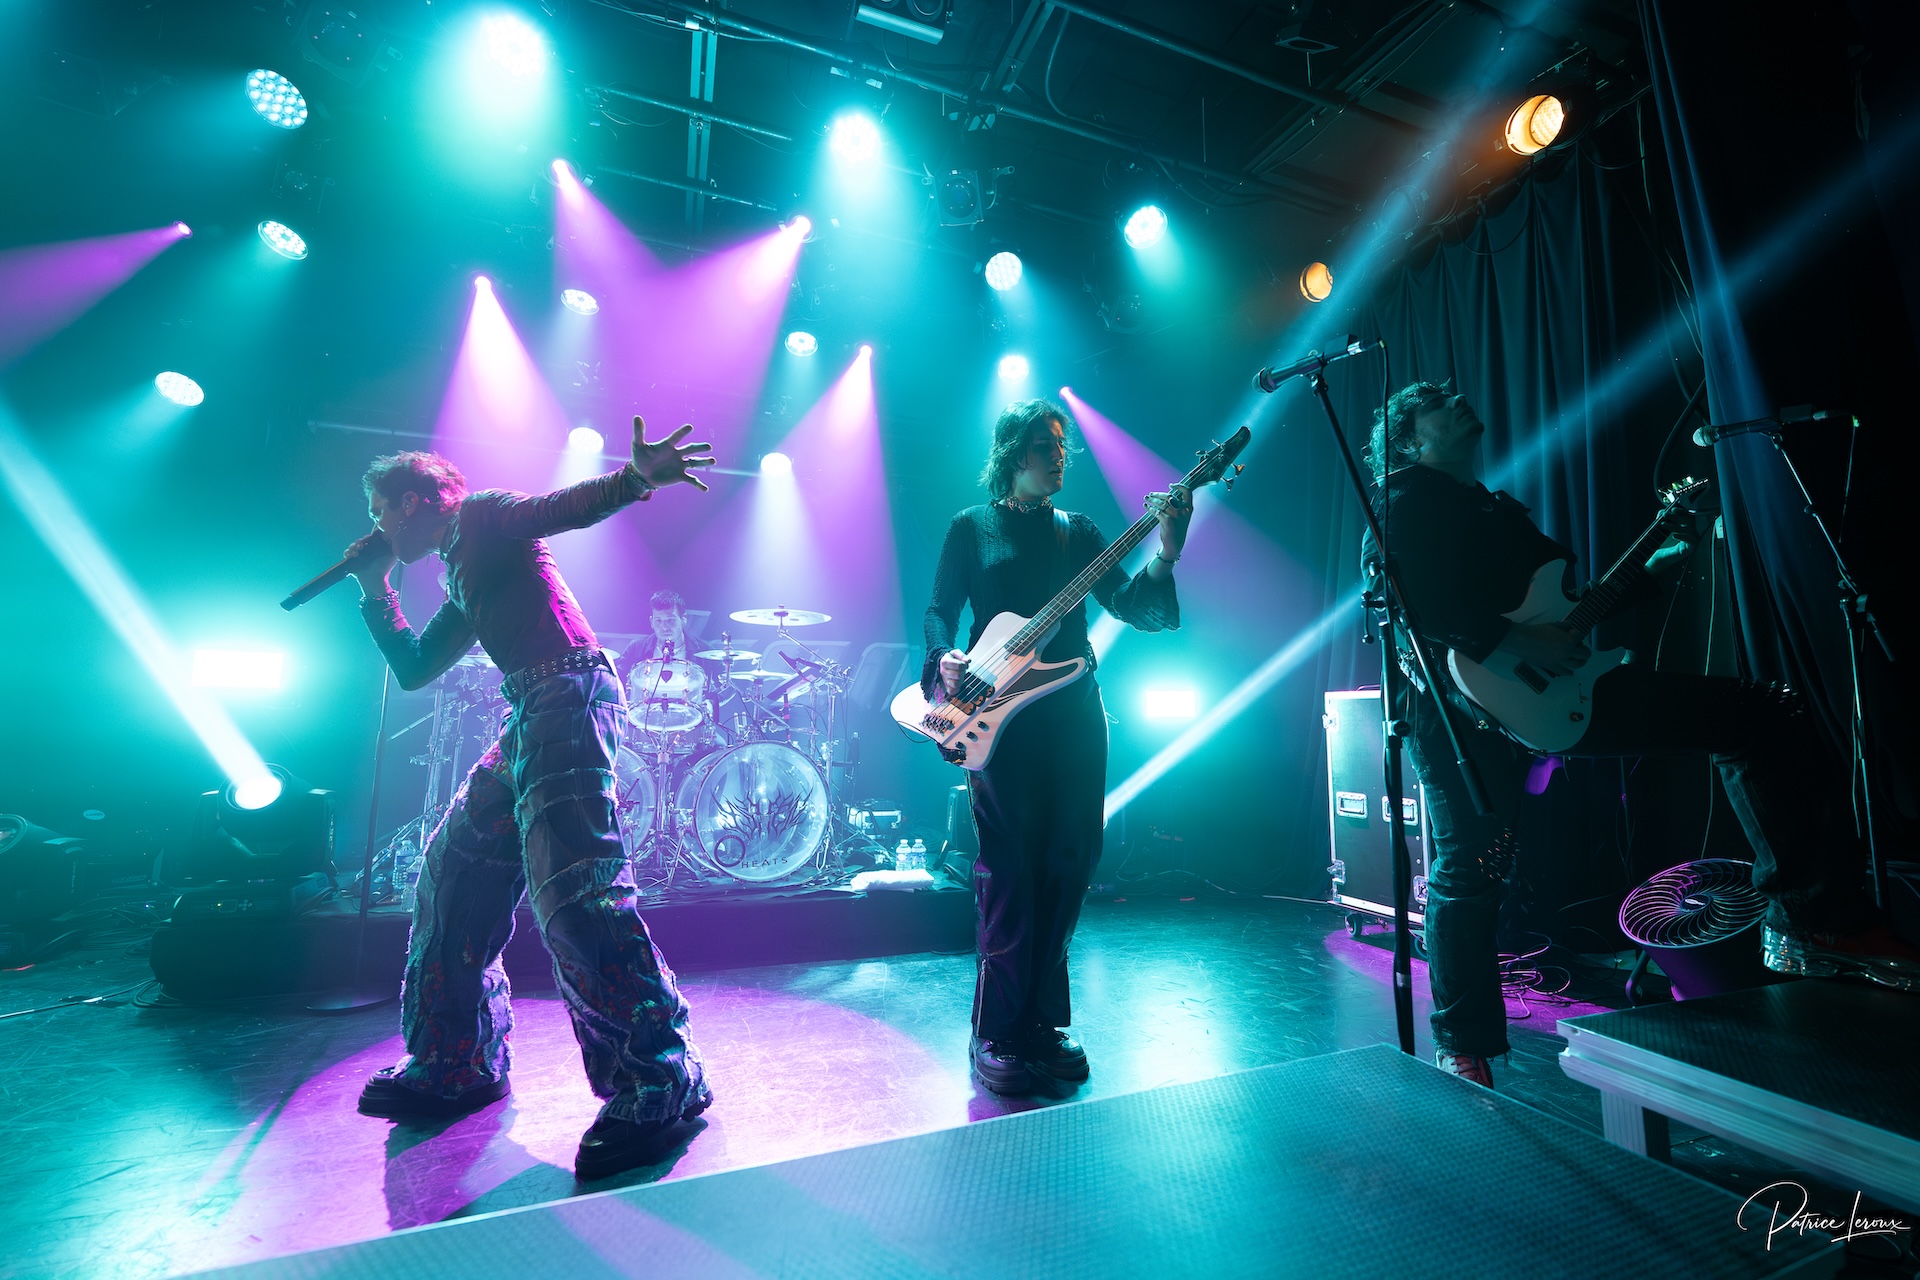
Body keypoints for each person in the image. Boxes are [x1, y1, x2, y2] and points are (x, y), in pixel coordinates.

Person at [1365, 382, 1919, 1087]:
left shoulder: (1495, 507)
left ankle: (1813, 920)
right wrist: (1515, 644)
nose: (1458, 398)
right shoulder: (1401, 498)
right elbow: (1410, 604)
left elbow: (1561, 614)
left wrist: (1644, 576)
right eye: (1437, 402)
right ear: (1410, 440)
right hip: (1453, 714)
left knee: (1760, 713)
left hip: (1551, 693)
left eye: (1455, 392)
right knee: (1471, 870)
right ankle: (1463, 1045)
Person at [342, 416, 719, 1180]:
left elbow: (557, 509)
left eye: (380, 511)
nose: (377, 526)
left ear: (414, 501)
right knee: (452, 873)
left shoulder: (481, 515)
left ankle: (660, 1080)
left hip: (569, 695)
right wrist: (375, 589)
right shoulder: (460, 570)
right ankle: (458, 1061)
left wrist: (634, 480)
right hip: (531, 712)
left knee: (576, 892)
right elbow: (415, 668)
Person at [922, 399, 1193, 1095]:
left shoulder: (1080, 532)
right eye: (1047, 445)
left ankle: (1042, 1022)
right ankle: (997, 1030)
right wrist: (943, 657)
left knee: (1072, 861)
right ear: (1014, 453)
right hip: (999, 714)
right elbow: (939, 611)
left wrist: (1168, 550)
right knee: (1011, 866)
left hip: (1073, 710)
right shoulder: (971, 527)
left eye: (1063, 445)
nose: (1059, 456)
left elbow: (1138, 609)